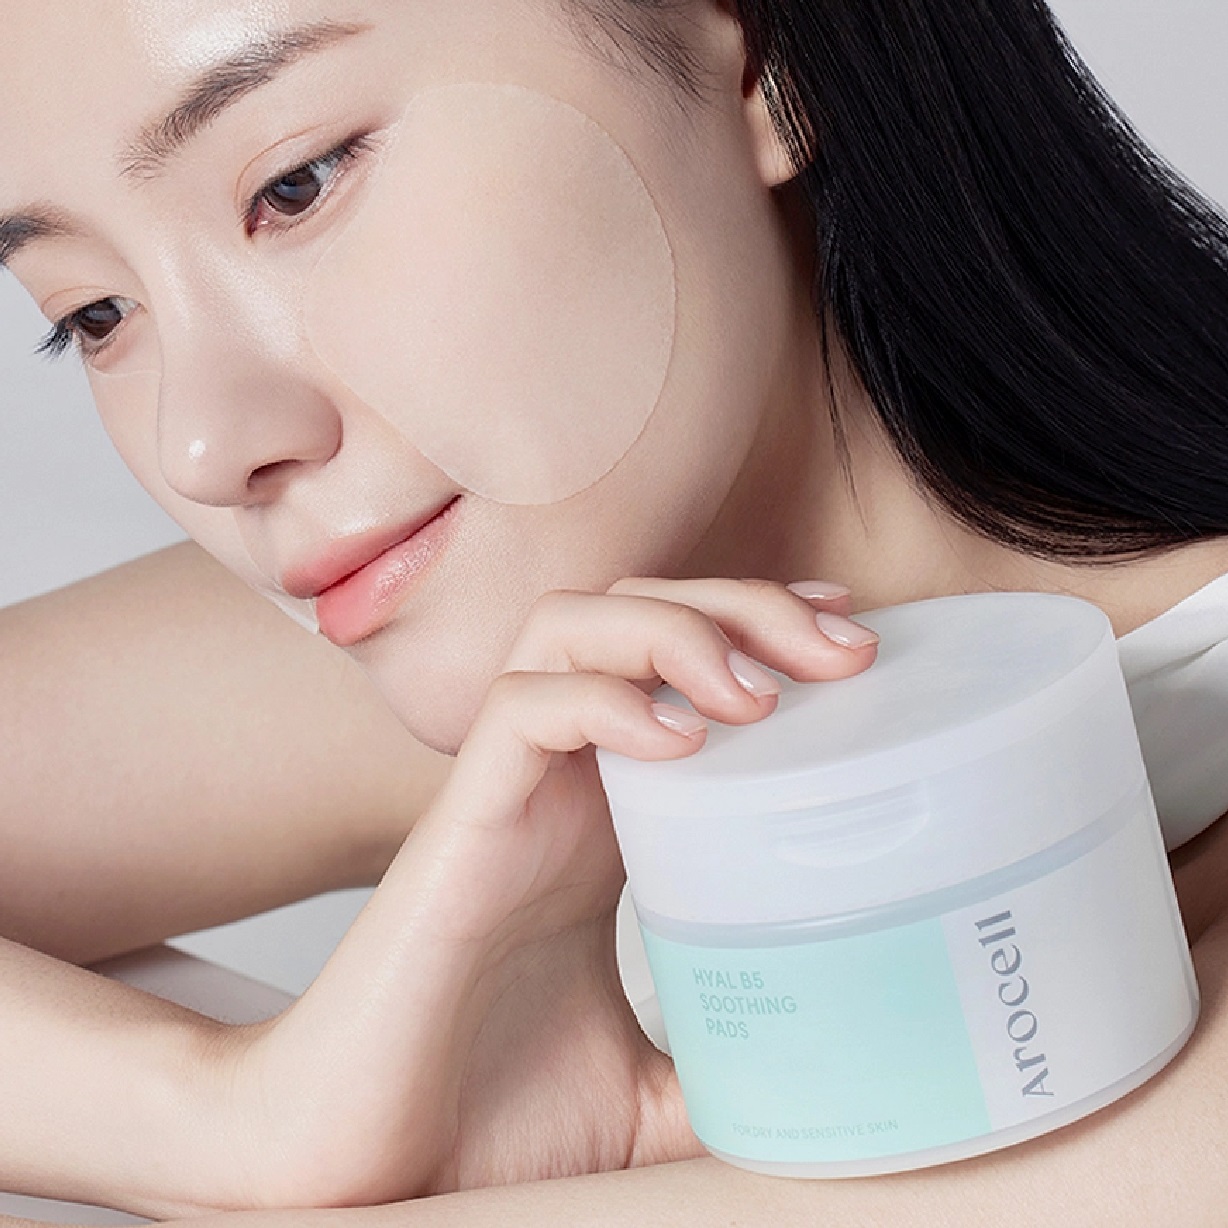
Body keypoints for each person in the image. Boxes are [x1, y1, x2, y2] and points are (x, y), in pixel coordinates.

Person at [2, 1, 1228, 1224]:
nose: (204, 446)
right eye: (91, 314)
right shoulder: (520, 638)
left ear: (761, 58)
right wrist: (227, 1117)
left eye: (298, 183)